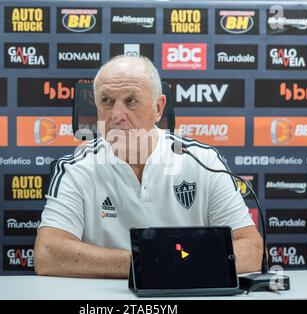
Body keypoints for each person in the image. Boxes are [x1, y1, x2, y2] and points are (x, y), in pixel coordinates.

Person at [34, 55, 263, 278]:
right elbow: (47, 253)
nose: (116, 115)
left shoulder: (203, 161)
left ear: (158, 108)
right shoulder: (75, 168)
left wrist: (164, 265)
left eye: (131, 101)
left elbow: (251, 250)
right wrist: (149, 263)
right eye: (107, 101)